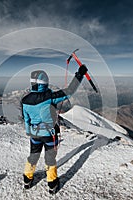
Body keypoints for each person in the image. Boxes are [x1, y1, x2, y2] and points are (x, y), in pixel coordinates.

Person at [21, 65, 88, 194]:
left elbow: (26, 119)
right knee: (50, 159)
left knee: (33, 156)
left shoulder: (25, 100)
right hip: (49, 134)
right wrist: (80, 74)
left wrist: (29, 131)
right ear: (45, 82)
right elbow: (70, 90)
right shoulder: (50, 97)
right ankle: (52, 184)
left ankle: (27, 180)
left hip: (34, 134)